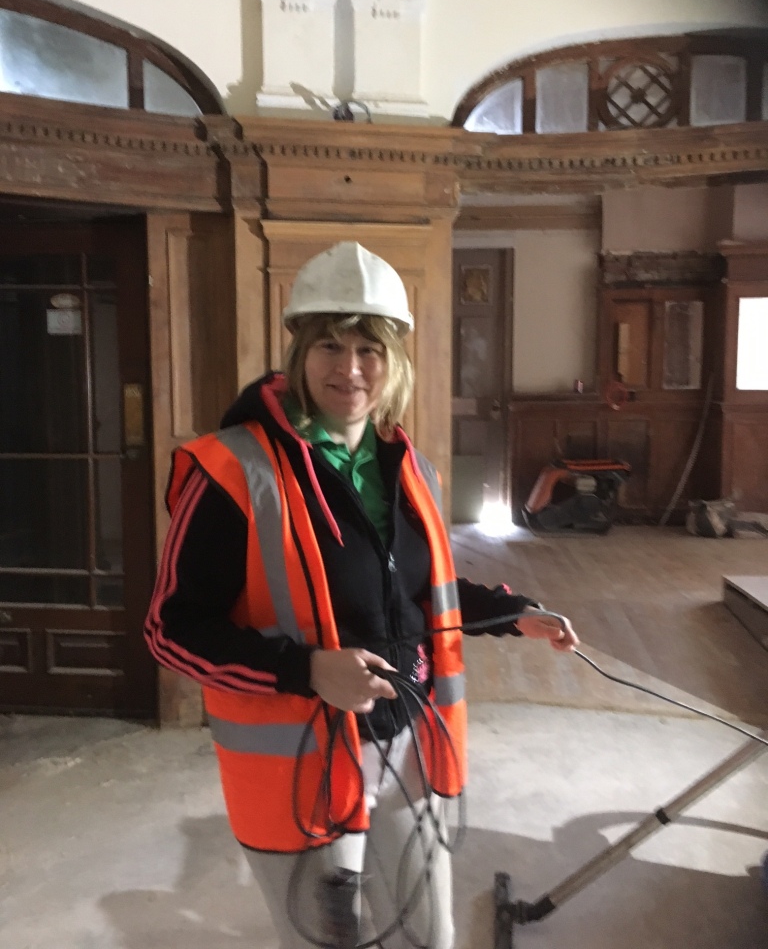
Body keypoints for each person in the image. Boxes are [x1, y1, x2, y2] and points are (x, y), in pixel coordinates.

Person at [144, 241, 579, 949]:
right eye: (330, 346)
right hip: (297, 765)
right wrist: (306, 669)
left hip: (406, 743)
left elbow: (418, 592)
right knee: (320, 941)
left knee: (426, 936)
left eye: (370, 348)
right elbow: (170, 630)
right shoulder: (230, 471)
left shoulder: (409, 466)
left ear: (396, 359)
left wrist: (512, 613)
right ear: (298, 353)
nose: (350, 368)